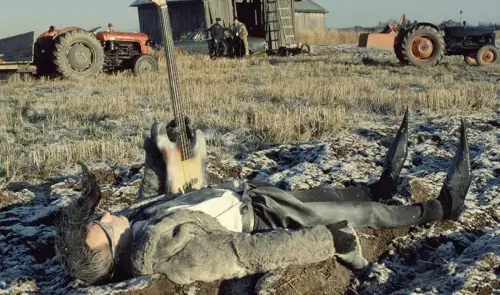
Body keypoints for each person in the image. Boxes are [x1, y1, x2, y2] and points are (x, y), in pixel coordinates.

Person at [57, 110, 471, 287]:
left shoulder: (135, 226)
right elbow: (247, 254)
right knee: (359, 214)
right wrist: (327, 240)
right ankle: (438, 209)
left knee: (337, 195)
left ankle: (382, 186)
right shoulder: (172, 255)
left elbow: (153, 198)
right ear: (111, 252)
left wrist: (159, 152)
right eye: (101, 224)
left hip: (253, 196)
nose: (108, 212)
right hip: (262, 220)